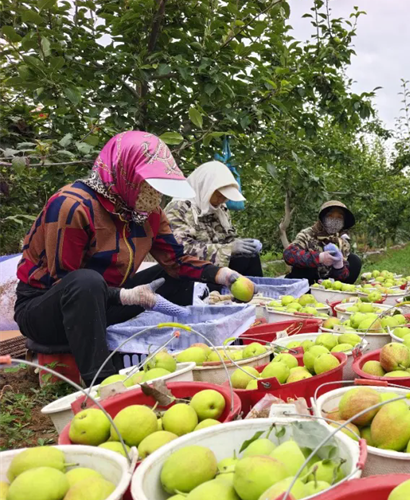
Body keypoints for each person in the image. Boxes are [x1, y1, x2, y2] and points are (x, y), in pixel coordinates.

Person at [14, 131, 254, 384]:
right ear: (125, 173)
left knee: (174, 276)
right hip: (48, 310)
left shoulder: (148, 213)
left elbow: (176, 262)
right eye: (147, 185)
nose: (154, 195)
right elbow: (66, 283)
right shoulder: (73, 205)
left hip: (106, 302)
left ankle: (184, 344)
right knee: (86, 281)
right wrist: (124, 296)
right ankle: (102, 383)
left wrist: (221, 274)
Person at [166, 161, 263, 292]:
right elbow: (181, 251)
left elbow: (227, 238)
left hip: (217, 266)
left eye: (225, 197)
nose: (221, 200)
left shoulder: (219, 209)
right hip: (193, 272)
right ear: (205, 188)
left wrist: (242, 244)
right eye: (218, 195)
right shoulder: (178, 209)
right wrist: (229, 249)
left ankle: (256, 294)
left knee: (249, 256)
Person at [283, 201, 362, 285]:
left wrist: (339, 266)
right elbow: (289, 254)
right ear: (322, 218)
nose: (335, 220)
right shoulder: (307, 234)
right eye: (330, 216)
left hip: (327, 283)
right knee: (307, 266)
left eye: (339, 217)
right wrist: (319, 258)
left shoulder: (342, 242)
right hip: (306, 283)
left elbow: (343, 276)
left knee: (355, 260)